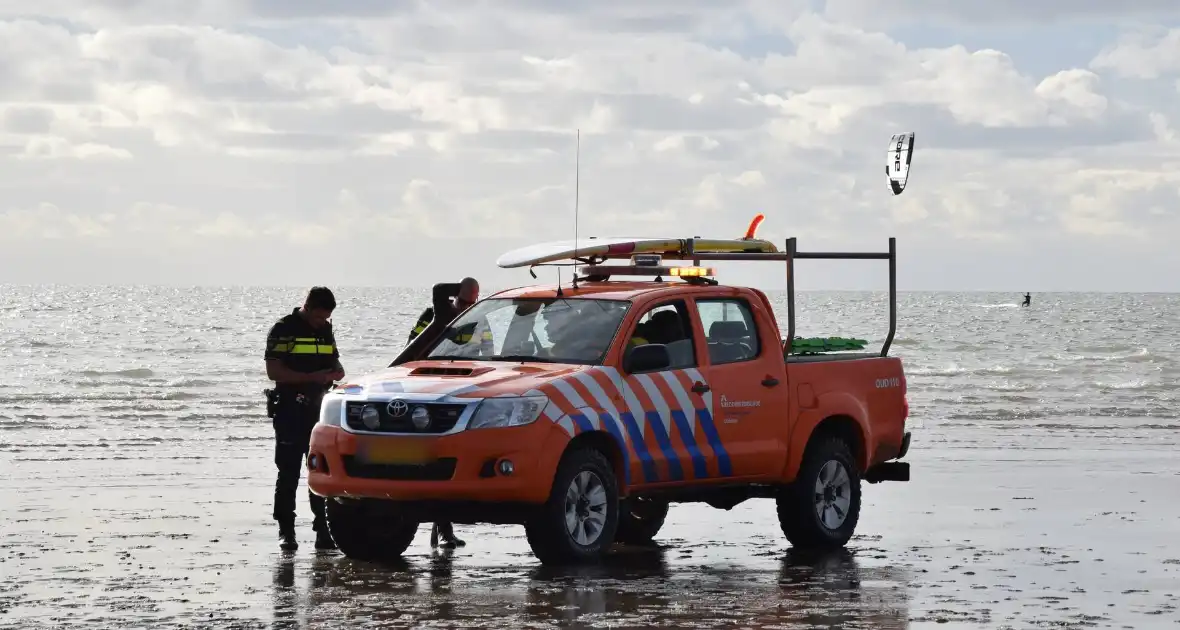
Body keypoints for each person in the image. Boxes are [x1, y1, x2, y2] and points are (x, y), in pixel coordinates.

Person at [264, 286, 345, 552]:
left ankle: (323, 531)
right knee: (288, 473)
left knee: (320, 471)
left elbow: (338, 367)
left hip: (319, 411)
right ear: (307, 307)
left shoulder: (325, 330)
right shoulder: (283, 329)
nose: (323, 323)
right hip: (290, 409)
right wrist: (313, 378)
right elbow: (274, 371)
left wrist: (333, 374)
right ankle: (286, 531)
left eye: (326, 318)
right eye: (319, 317)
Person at [406, 277, 482, 549]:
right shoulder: (433, 316)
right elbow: (414, 349)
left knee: (446, 463)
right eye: (462, 302)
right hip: (427, 391)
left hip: (457, 393)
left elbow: (489, 353)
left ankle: (442, 528)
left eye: (470, 304)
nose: (465, 308)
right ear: (456, 297)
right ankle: (437, 528)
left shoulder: (476, 320)